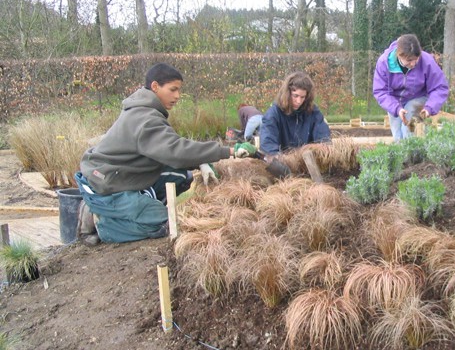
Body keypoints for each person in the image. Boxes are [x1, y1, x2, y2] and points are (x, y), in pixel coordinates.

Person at [74, 63, 257, 244]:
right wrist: (230, 150)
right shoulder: (144, 118)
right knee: (166, 224)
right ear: (155, 87)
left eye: (179, 90)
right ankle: (102, 223)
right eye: (173, 89)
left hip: (122, 174)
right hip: (105, 183)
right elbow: (176, 151)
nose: (177, 96)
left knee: (182, 177)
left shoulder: (146, 111)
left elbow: (168, 150)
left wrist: (200, 161)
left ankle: (134, 208)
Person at [373, 33, 450, 142]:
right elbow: (381, 91)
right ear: (399, 56)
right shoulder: (384, 63)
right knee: (397, 136)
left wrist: (429, 107)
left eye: (416, 59)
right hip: (394, 100)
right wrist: (396, 109)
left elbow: (440, 87)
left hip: (418, 97)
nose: (413, 63)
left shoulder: (426, 61)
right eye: (409, 60)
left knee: (408, 130)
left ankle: (413, 155)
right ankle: (403, 156)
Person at [259, 71, 331, 155]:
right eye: (295, 96)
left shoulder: (313, 112)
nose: (299, 101)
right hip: (282, 163)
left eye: (302, 97)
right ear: (287, 94)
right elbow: (268, 145)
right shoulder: (273, 114)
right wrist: (284, 162)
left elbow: (324, 139)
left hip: (308, 162)